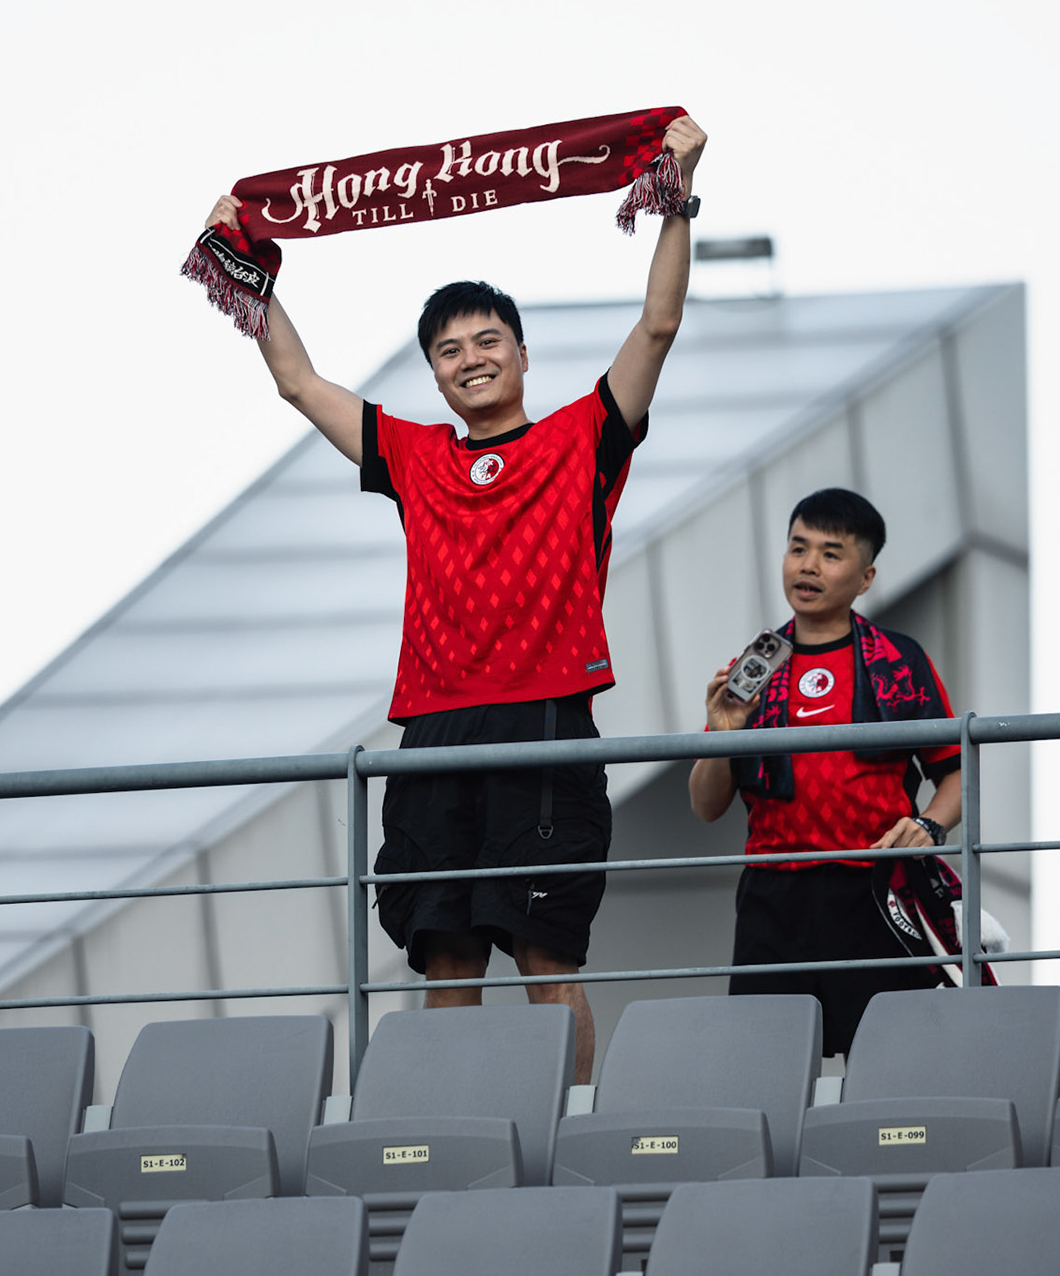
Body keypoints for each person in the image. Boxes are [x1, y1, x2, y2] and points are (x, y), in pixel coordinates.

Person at [203, 116, 707, 1084]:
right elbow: (299, 383)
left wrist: (674, 195)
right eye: (447, 348)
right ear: (432, 370)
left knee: (545, 953)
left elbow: (658, 324)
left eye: (487, 339)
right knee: (445, 956)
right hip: (433, 728)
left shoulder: (582, 438)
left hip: (547, 716)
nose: (469, 357)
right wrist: (245, 263)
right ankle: (452, 1140)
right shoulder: (417, 455)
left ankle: (564, 1137)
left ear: (523, 354)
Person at [688, 487, 971, 1057]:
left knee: (892, 1062)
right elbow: (704, 804)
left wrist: (931, 829)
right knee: (764, 1066)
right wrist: (723, 730)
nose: (808, 565)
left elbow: (956, 773)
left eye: (831, 553)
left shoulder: (901, 660)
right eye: (798, 548)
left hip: (876, 887)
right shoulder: (754, 666)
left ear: (865, 577)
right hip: (774, 894)